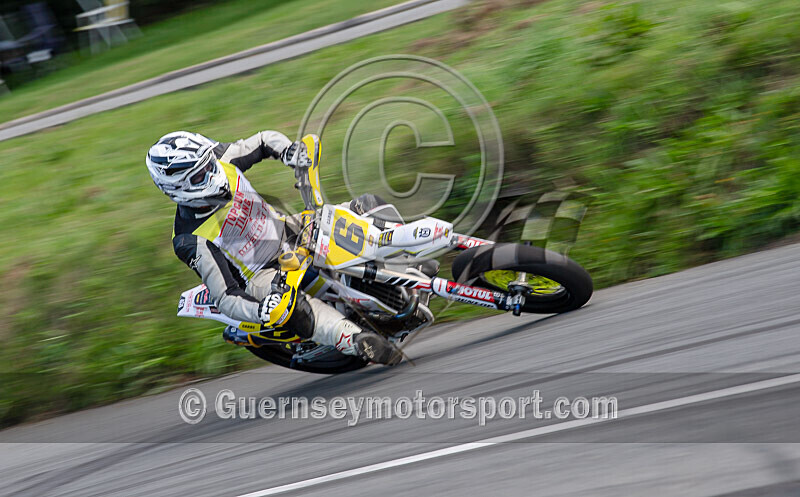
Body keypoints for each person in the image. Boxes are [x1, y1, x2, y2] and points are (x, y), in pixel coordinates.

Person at [145, 130, 397, 364]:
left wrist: (288, 150)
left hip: (287, 230)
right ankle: (353, 339)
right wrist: (260, 311)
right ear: (178, 187)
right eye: (202, 174)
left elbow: (264, 140)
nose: (213, 173)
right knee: (290, 309)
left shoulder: (224, 158)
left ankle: (400, 260)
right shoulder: (188, 238)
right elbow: (225, 296)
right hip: (261, 275)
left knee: (366, 205)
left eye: (210, 163)